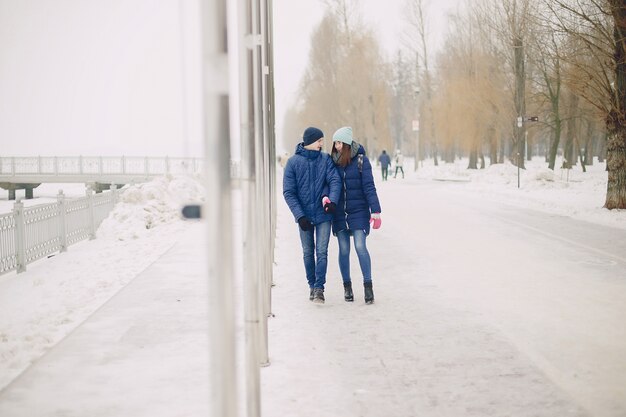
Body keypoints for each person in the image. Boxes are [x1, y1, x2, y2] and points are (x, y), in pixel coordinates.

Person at [283, 127, 341, 304]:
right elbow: (288, 192)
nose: (322, 144)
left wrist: (332, 201)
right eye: (319, 141)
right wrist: (300, 216)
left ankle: (319, 288)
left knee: (321, 252)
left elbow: (334, 180)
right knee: (308, 252)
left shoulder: (326, 160)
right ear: (309, 142)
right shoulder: (293, 163)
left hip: (323, 215)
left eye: (322, 141)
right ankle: (311, 285)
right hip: (305, 217)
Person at [330, 126, 382, 304]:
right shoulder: (332, 162)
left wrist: (376, 210)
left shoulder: (361, 160)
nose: (336, 146)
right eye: (334, 142)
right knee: (344, 250)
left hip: (358, 210)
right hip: (339, 213)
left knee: (360, 246)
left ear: (346, 143)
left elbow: (369, 186)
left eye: (339, 142)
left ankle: (368, 287)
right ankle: (347, 287)